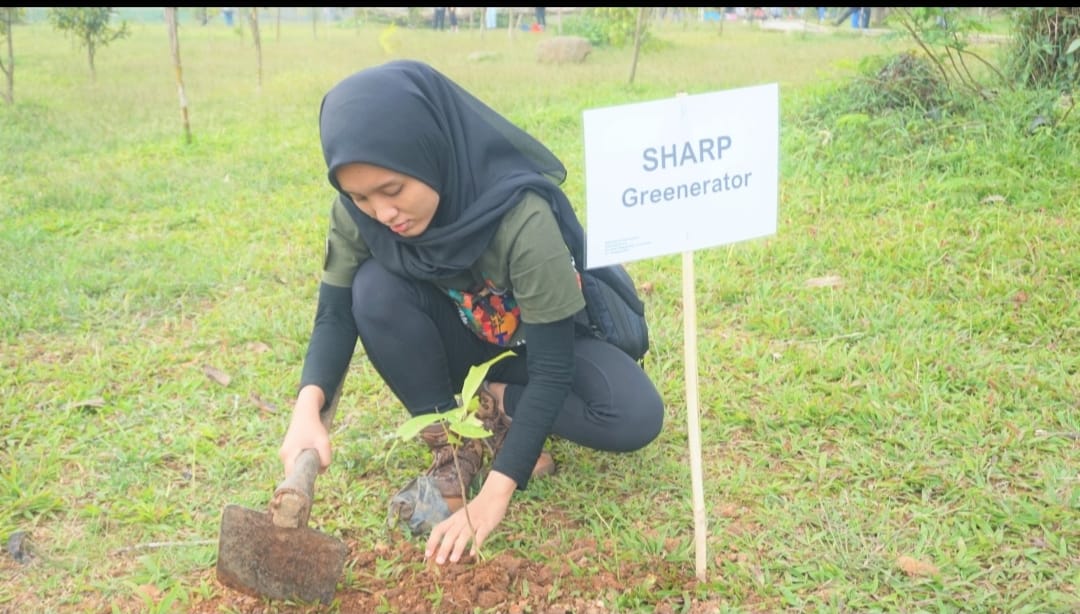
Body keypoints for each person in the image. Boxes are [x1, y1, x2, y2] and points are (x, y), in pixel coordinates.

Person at [278, 60, 665, 566]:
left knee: (635, 415)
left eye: (393, 190)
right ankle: (457, 448)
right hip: (461, 339)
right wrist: (308, 410)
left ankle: (497, 406)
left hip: (535, 349)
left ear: (432, 151)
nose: (382, 213)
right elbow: (334, 316)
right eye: (360, 197)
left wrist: (495, 497)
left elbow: (553, 370)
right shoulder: (359, 214)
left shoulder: (520, 216)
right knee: (371, 289)